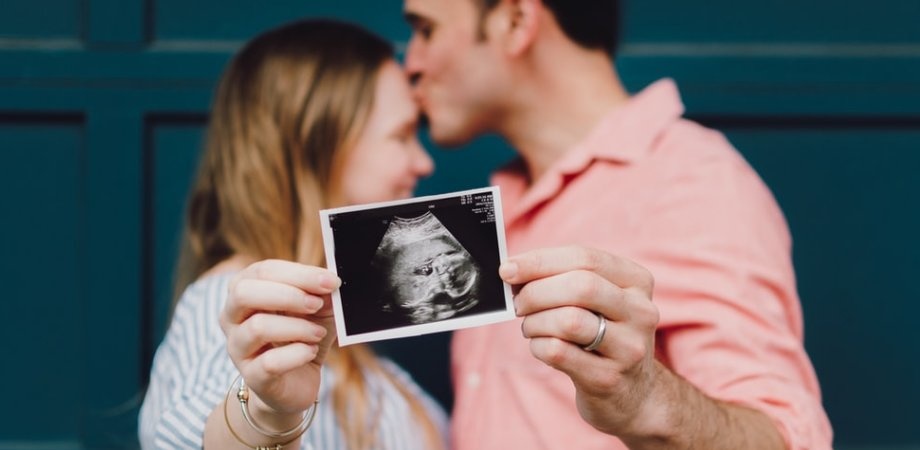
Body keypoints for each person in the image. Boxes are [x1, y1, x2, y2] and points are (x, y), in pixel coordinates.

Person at [401, 0, 833, 449]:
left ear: (515, 21)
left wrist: (645, 399)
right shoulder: (499, 203)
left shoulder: (691, 181)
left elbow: (786, 440)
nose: (410, 63)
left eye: (426, 30)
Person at [138, 19, 446, 450]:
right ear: (318, 147)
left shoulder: (336, 326)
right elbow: (198, 436)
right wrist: (270, 412)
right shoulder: (236, 308)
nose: (423, 163)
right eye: (402, 135)